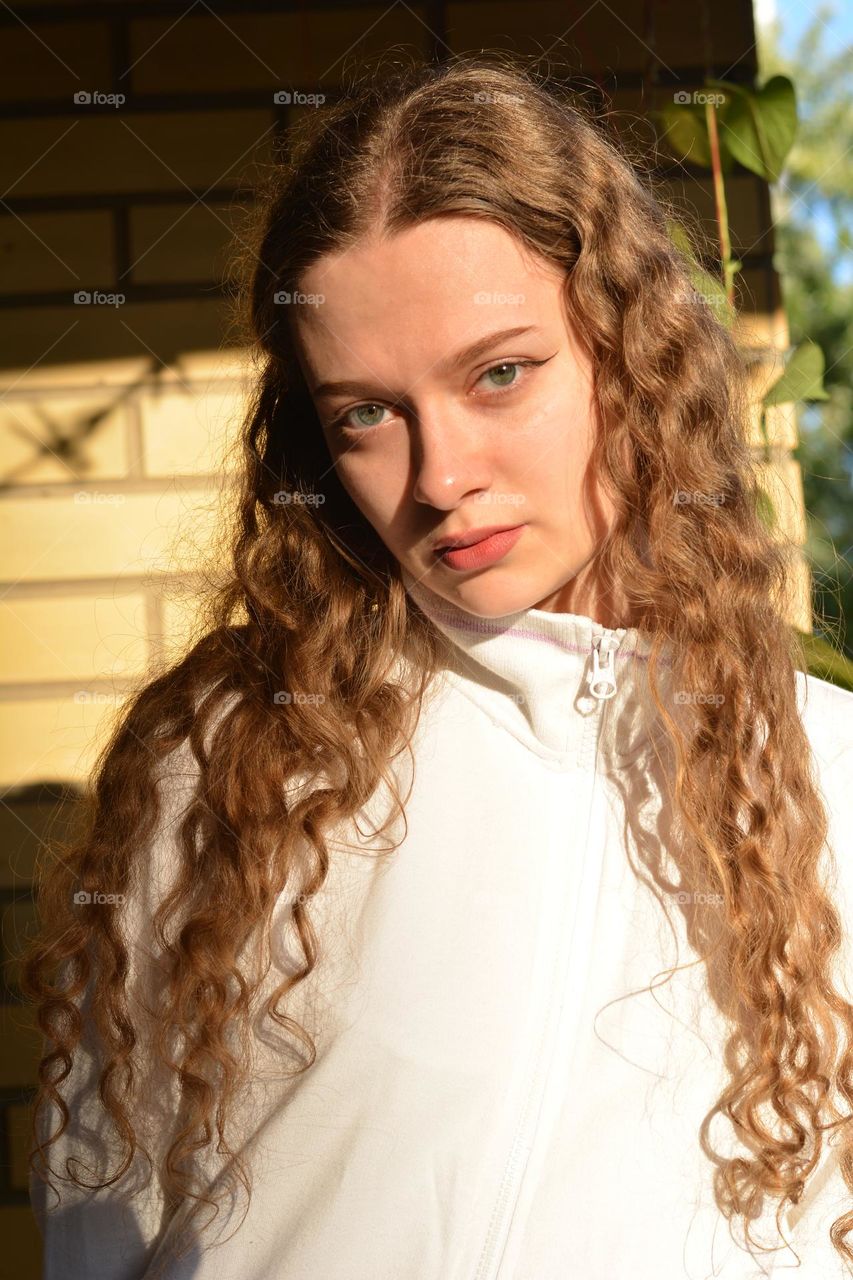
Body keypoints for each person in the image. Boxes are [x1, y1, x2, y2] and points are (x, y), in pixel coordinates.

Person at [23, 50, 853, 1280]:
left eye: (499, 374)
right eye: (366, 412)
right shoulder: (240, 760)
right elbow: (103, 1212)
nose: (439, 477)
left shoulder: (828, 766)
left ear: (629, 351)